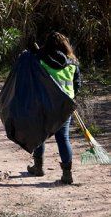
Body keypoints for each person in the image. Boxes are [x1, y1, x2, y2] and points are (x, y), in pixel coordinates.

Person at [27, 32, 82, 184]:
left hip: (44, 105)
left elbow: (32, 73)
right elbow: (77, 84)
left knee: (40, 135)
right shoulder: (73, 62)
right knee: (63, 138)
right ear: (65, 45)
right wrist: (71, 98)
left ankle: (38, 168)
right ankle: (67, 174)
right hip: (65, 105)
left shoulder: (40, 60)